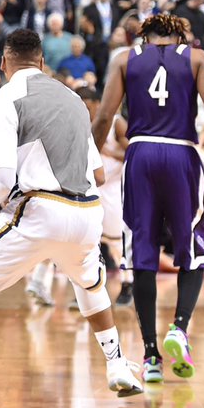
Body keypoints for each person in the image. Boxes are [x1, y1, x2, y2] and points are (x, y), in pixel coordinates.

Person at [0, 29, 143, 404]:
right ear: (42, 62)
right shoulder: (74, 99)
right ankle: (118, 364)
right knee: (90, 286)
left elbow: (1, 180)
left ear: (3, 63)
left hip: (40, 210)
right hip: (87, 213)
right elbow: (99, 174)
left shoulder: (3, 99)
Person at [91, 13, 204, 382]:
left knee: (142, 253)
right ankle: (179, 327)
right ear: (179, 36)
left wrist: (86, 162)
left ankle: (150, 356)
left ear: (145, 36)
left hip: (140, 155)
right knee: (194, 246)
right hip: (180, 154)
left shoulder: (124, 59)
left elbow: (105, 116)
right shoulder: (197, 58)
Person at [81, 88, 134, 306]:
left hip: (112, 188)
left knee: (116, 242)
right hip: (89, 188)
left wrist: (108, 153)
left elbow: (134, 151)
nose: (85, 110)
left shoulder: (116, 123)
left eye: (88, 106)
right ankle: (88, 288)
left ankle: (128, 283)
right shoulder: (81, 125)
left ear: (97, 103)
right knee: (85, 241)